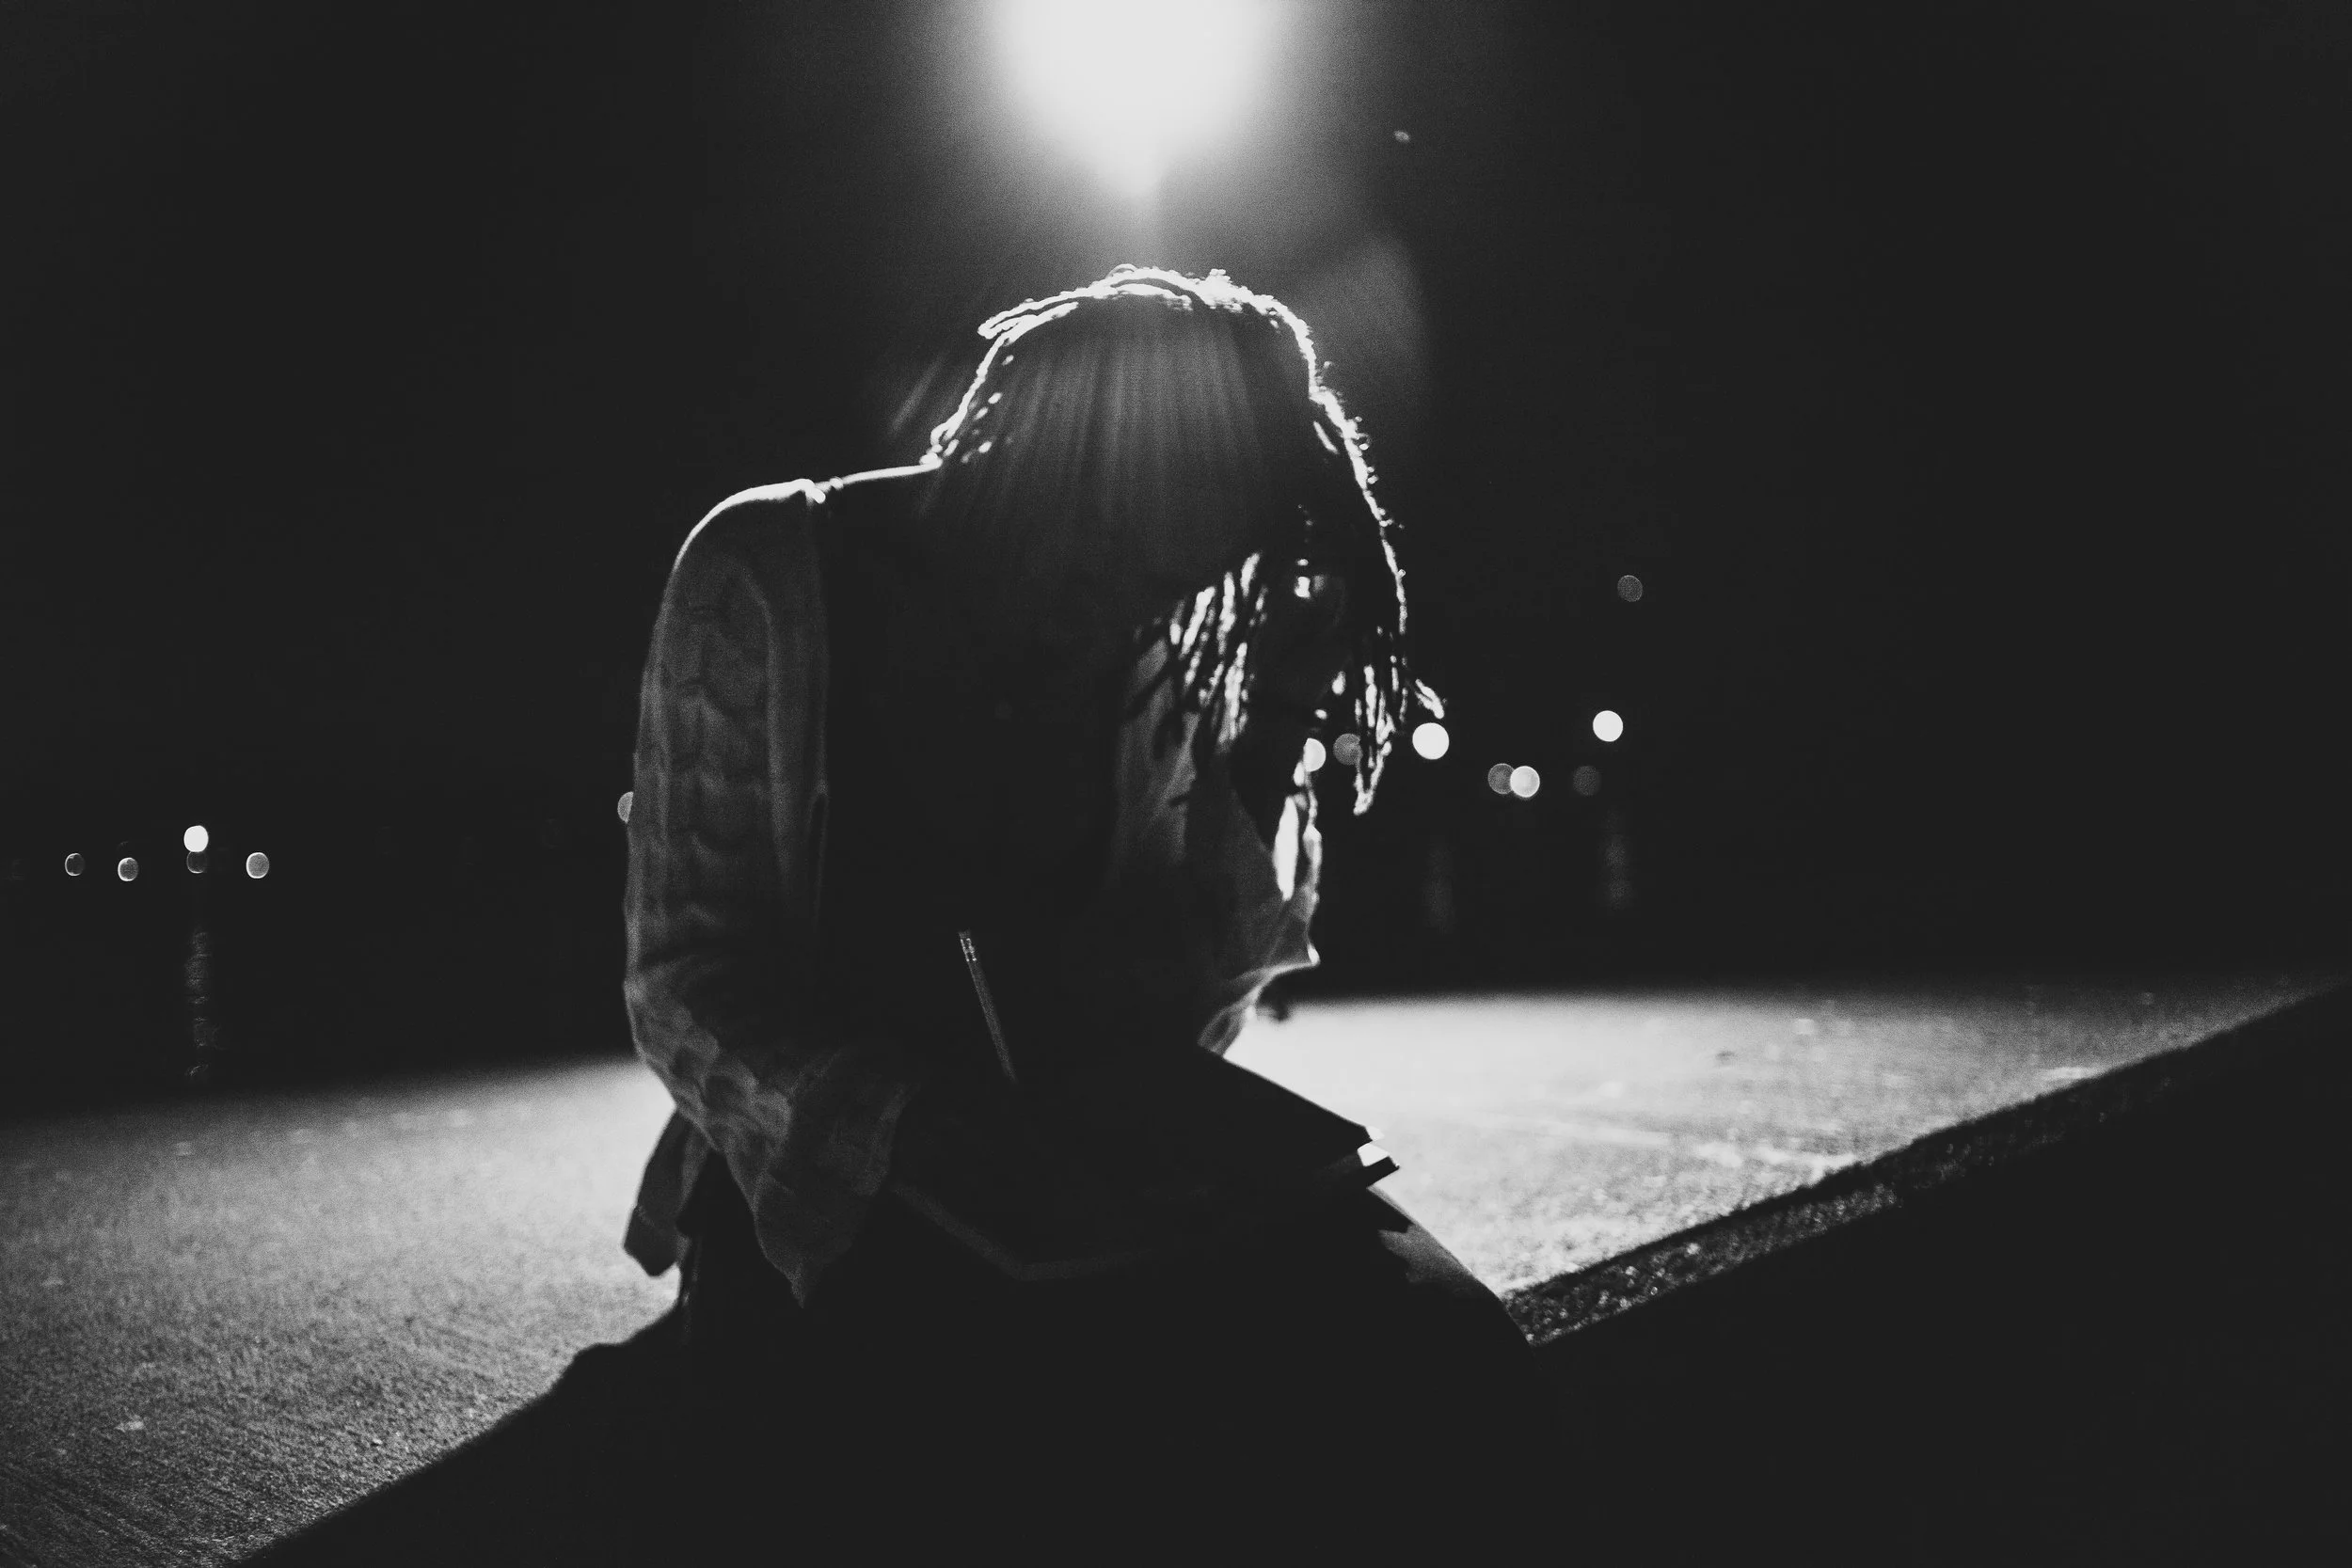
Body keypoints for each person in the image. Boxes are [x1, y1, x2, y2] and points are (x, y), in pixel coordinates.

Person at [621, 265, 1556, 1553]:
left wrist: (1268, 744)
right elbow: (682, 978)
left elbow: (1187, 1019)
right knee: (1016, 1457)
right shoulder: (764, 571)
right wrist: (912, 1130)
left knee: (1458, 1359)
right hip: (831, 1181)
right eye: (1113, 538)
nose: (1125, 596)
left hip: (1084, 1163)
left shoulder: (1148, 627)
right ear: (1036, 440)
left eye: (1178, 562)